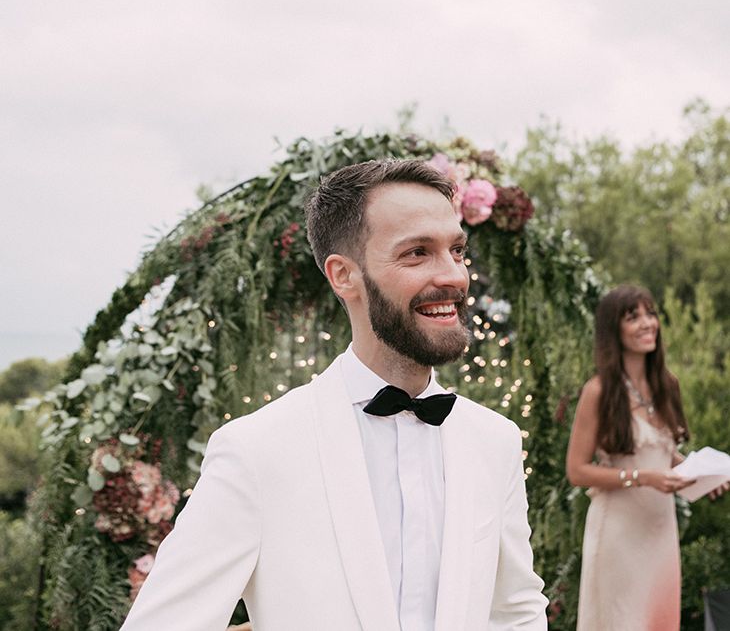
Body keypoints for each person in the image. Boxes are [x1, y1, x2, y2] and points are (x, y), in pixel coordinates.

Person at [121, 159, 548, 630]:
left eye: (457, 250)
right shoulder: (257, 451)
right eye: (417, 253)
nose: (453, 276)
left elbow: (516, 613)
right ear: (344, 275)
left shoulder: (495, 441)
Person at [566, 284, 727, 631]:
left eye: (650, 313)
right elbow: (577, 471)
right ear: (614, 329)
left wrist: (702, 476)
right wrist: (642, 478)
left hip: (660, 530)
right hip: (619, 534)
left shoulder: (667, 385)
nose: (647, 323)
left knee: (659, 620)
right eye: (633, 316)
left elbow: (663, 453)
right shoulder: (599, 392)